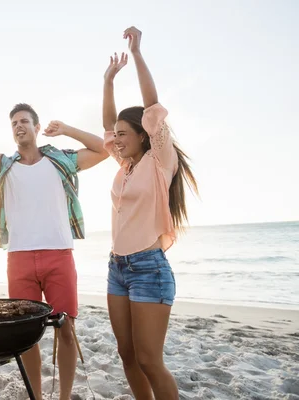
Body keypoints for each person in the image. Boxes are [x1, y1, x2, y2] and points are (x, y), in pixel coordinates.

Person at [0, 85, 109, 400]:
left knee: (66, 330)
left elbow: (103, 149)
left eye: (24, 121)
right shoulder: (3, 168)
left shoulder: (60, 160)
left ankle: (64, 397)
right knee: (27, 336)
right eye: (14, 123)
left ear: (36, 128)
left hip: (59, 256)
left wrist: (66, 130)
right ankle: (36, 396)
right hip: (20, 260)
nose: (19, 126)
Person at [102, 27, 198, 400]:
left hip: (149, 269)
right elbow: (108, 122)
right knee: (127, 355)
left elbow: (152, 104)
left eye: (124, 134)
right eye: (117, 135)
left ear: (144, 135)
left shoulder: (159, 162)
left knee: (149, 360)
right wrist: (108, 81)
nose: (116, 138)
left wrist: (137, 54)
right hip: (117, 268)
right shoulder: (123, 166)